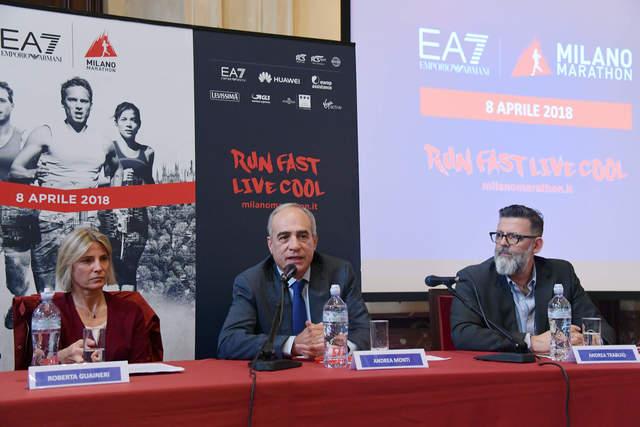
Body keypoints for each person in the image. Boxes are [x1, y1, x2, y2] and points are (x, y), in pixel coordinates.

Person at [450, 204, 614, 353]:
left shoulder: (561, 273)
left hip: (554, 368)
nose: (503, 243)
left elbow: (603, 330)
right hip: (501, 370)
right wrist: (531, 342)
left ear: (536, 245)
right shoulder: (474, 279)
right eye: (499, 235)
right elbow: (463, 334)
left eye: (513, 236)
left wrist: (585, 341)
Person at [9, 77, 122, 291]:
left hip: (87, 222)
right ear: (63, 103)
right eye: (73, 100)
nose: (78, 106)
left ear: (91, 105)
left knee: (86, 290)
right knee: (48, 294)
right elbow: (16, 170)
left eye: (84, 101)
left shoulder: (103, 141)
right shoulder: (45, 133)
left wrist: (112, 201)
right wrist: (34, 173)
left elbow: (117, 170)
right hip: (50, 221)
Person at [218, 203, 370, 360]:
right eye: (284, 237)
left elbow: (365, 331)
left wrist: (338, 346)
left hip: (328, 369)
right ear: (271, 245)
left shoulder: (340, 273)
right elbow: (229, 342)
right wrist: (293, 345)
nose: (295, 246)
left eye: (303, 236)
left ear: (314, 241)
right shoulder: (252, 282)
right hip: (280, 373)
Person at [53, 226, 153, 363]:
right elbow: (34, 367)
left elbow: (143, 369)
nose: (99, 268)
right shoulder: (51, 312)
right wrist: (59, 357)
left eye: (103, 259)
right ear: (68, 265)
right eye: (87, 260)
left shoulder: (130, 312)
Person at [99, 102, 154, 290]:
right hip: (112, 217)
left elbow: (151, 188)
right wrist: (118, 178)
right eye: (124, 119)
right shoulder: (109, 149)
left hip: (137, 218)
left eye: (133, 120)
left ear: (139, 124)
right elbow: (99, 182)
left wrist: (139, 181)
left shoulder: (148, 152)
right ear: (116, 122)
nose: (129, 124)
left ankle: (128, 307)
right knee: (113, 270)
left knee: (130, 270)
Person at [0, 81, 39, 329]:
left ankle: (19, 306)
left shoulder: (23, 138)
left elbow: (36, 171)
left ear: (11, 105)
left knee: (16, 275)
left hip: (15, 212)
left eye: (2, 100)